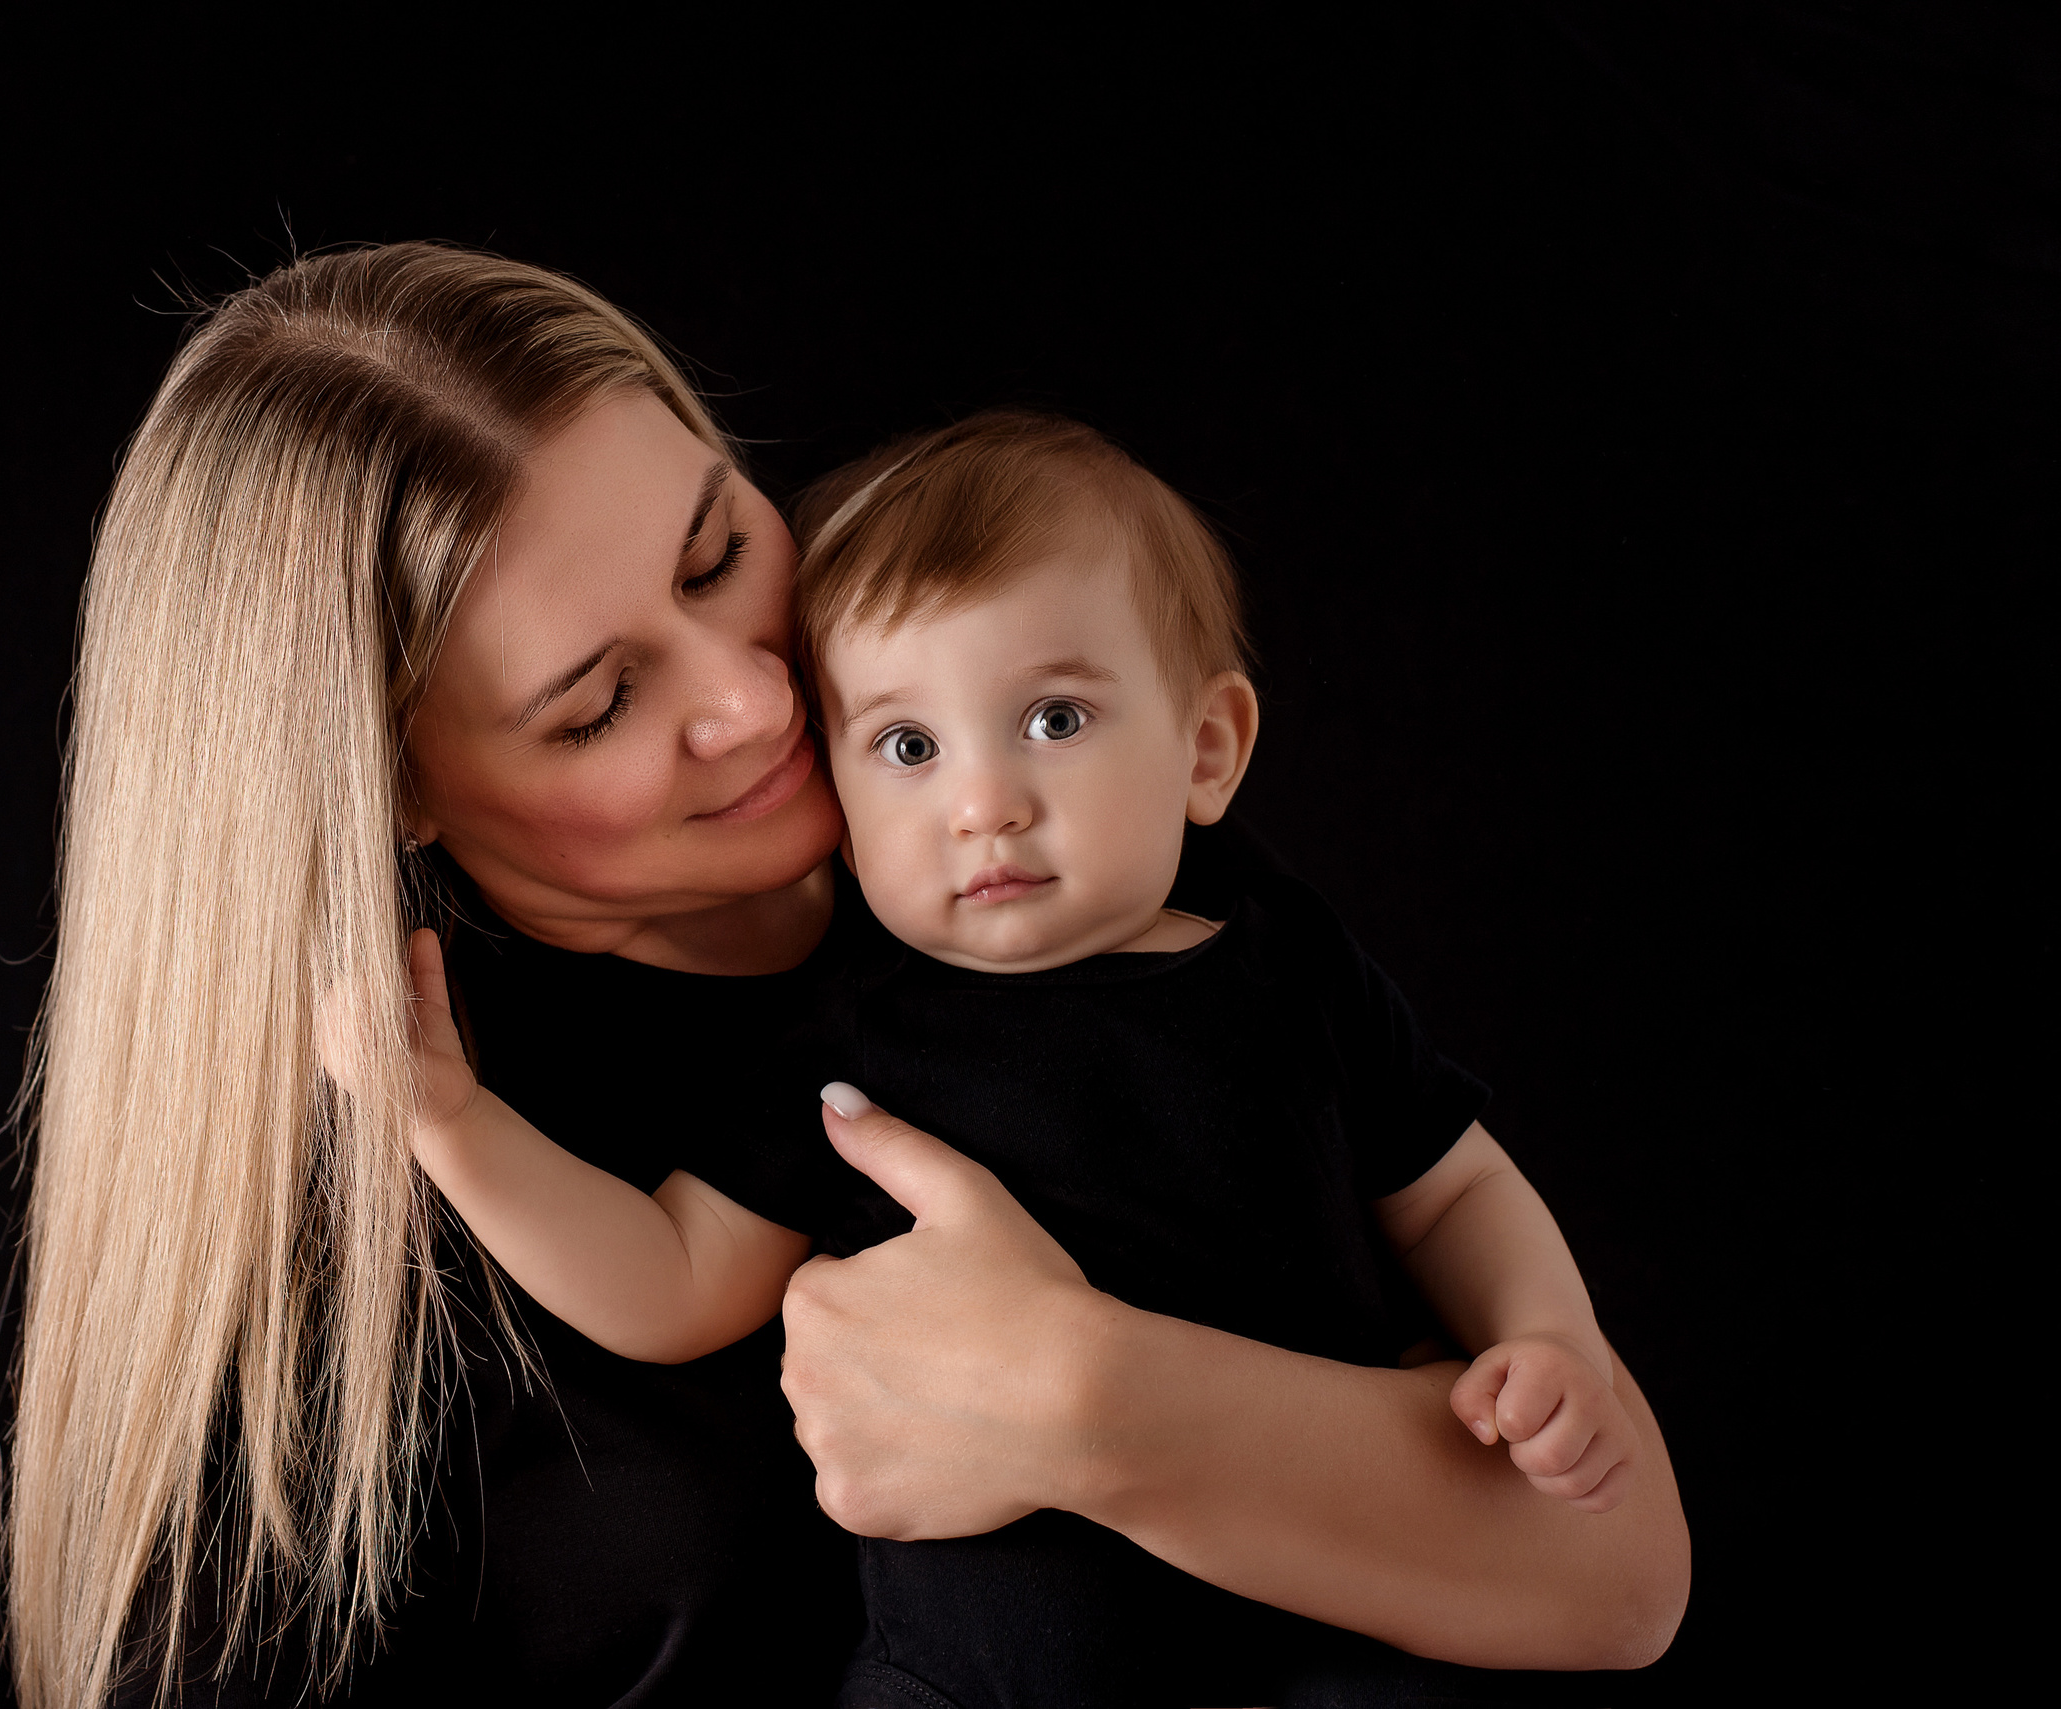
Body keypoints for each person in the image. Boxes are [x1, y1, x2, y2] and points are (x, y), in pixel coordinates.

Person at [6, 242, 1688, 1709]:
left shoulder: (1055, 882)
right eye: (596, 701)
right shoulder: (381, 1179)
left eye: (718, 551)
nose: (750, 697)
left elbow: (1610, 1570)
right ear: (394, 786)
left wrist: (1082, 1394)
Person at [377, 411, 1649, 1706]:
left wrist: (1545, 1338)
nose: (983, 801)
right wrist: (455, 1123)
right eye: (909, 747)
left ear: (1207, 747)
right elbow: (673, 1277)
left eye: (1051, 719)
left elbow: (1458, 1194)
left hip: (1336, 1640)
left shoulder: (1276, 947)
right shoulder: (848, 1031)